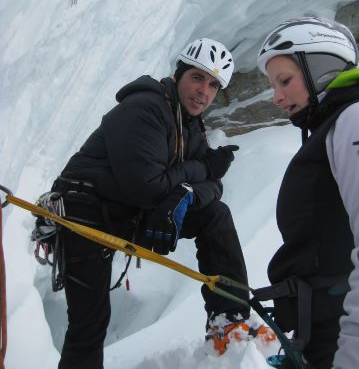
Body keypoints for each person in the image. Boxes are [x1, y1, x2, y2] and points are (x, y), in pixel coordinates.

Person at [50, 37, 251, 369]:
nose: (204, 90)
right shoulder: (146, 107)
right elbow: (146, 188)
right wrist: (196, 173)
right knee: (90, 324)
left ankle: (229, 323)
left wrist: (187, 192)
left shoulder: (189, 125)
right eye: (197, 77)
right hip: (83, 211)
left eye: (214, 85)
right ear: (179, 75)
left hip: (125, 212)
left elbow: (213, 187)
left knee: (215, 215)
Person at [256, 17, 359, 368]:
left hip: (347, 338)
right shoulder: (338, 124)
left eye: (285, 81)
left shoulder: (358, 120)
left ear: (319, 68)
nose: (277, 97)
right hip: (327, 330)